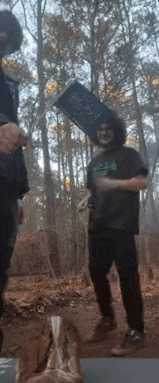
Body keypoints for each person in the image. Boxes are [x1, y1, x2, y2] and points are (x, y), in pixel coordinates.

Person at [78, 116, 148, 356]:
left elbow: (141, 183)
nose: (104, 132)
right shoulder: (95, 161)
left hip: (122, 225)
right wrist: (87, 199)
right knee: (97, 272)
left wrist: (115, 184)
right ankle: (107, 319)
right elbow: (96, 189)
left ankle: (136, 330)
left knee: (127, 276)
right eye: (100, 129)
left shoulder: (129, 155)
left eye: (109, 129)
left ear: (117, 131)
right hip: (98, 225)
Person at [0, 10, 29, 330]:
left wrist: (18, 194)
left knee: (2, 263)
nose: (5, 52)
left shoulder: (6, 81)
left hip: (6, 184)